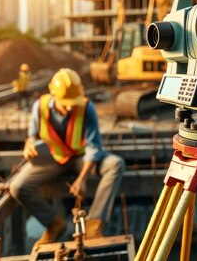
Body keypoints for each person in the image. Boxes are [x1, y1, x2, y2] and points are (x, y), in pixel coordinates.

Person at [9, 68, 125, 248]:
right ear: (52, 92)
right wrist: (29, 144)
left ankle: (93, 225)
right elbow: (32, 136)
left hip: (81, 159)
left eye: (73, 102)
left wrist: (83, 178)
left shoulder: (86, 107)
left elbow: (94, 146)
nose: (71, 106)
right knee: (17, 186)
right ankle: (54, 224)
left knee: (115, 164)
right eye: (66, 102)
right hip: (54, 158)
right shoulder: (39, 107)